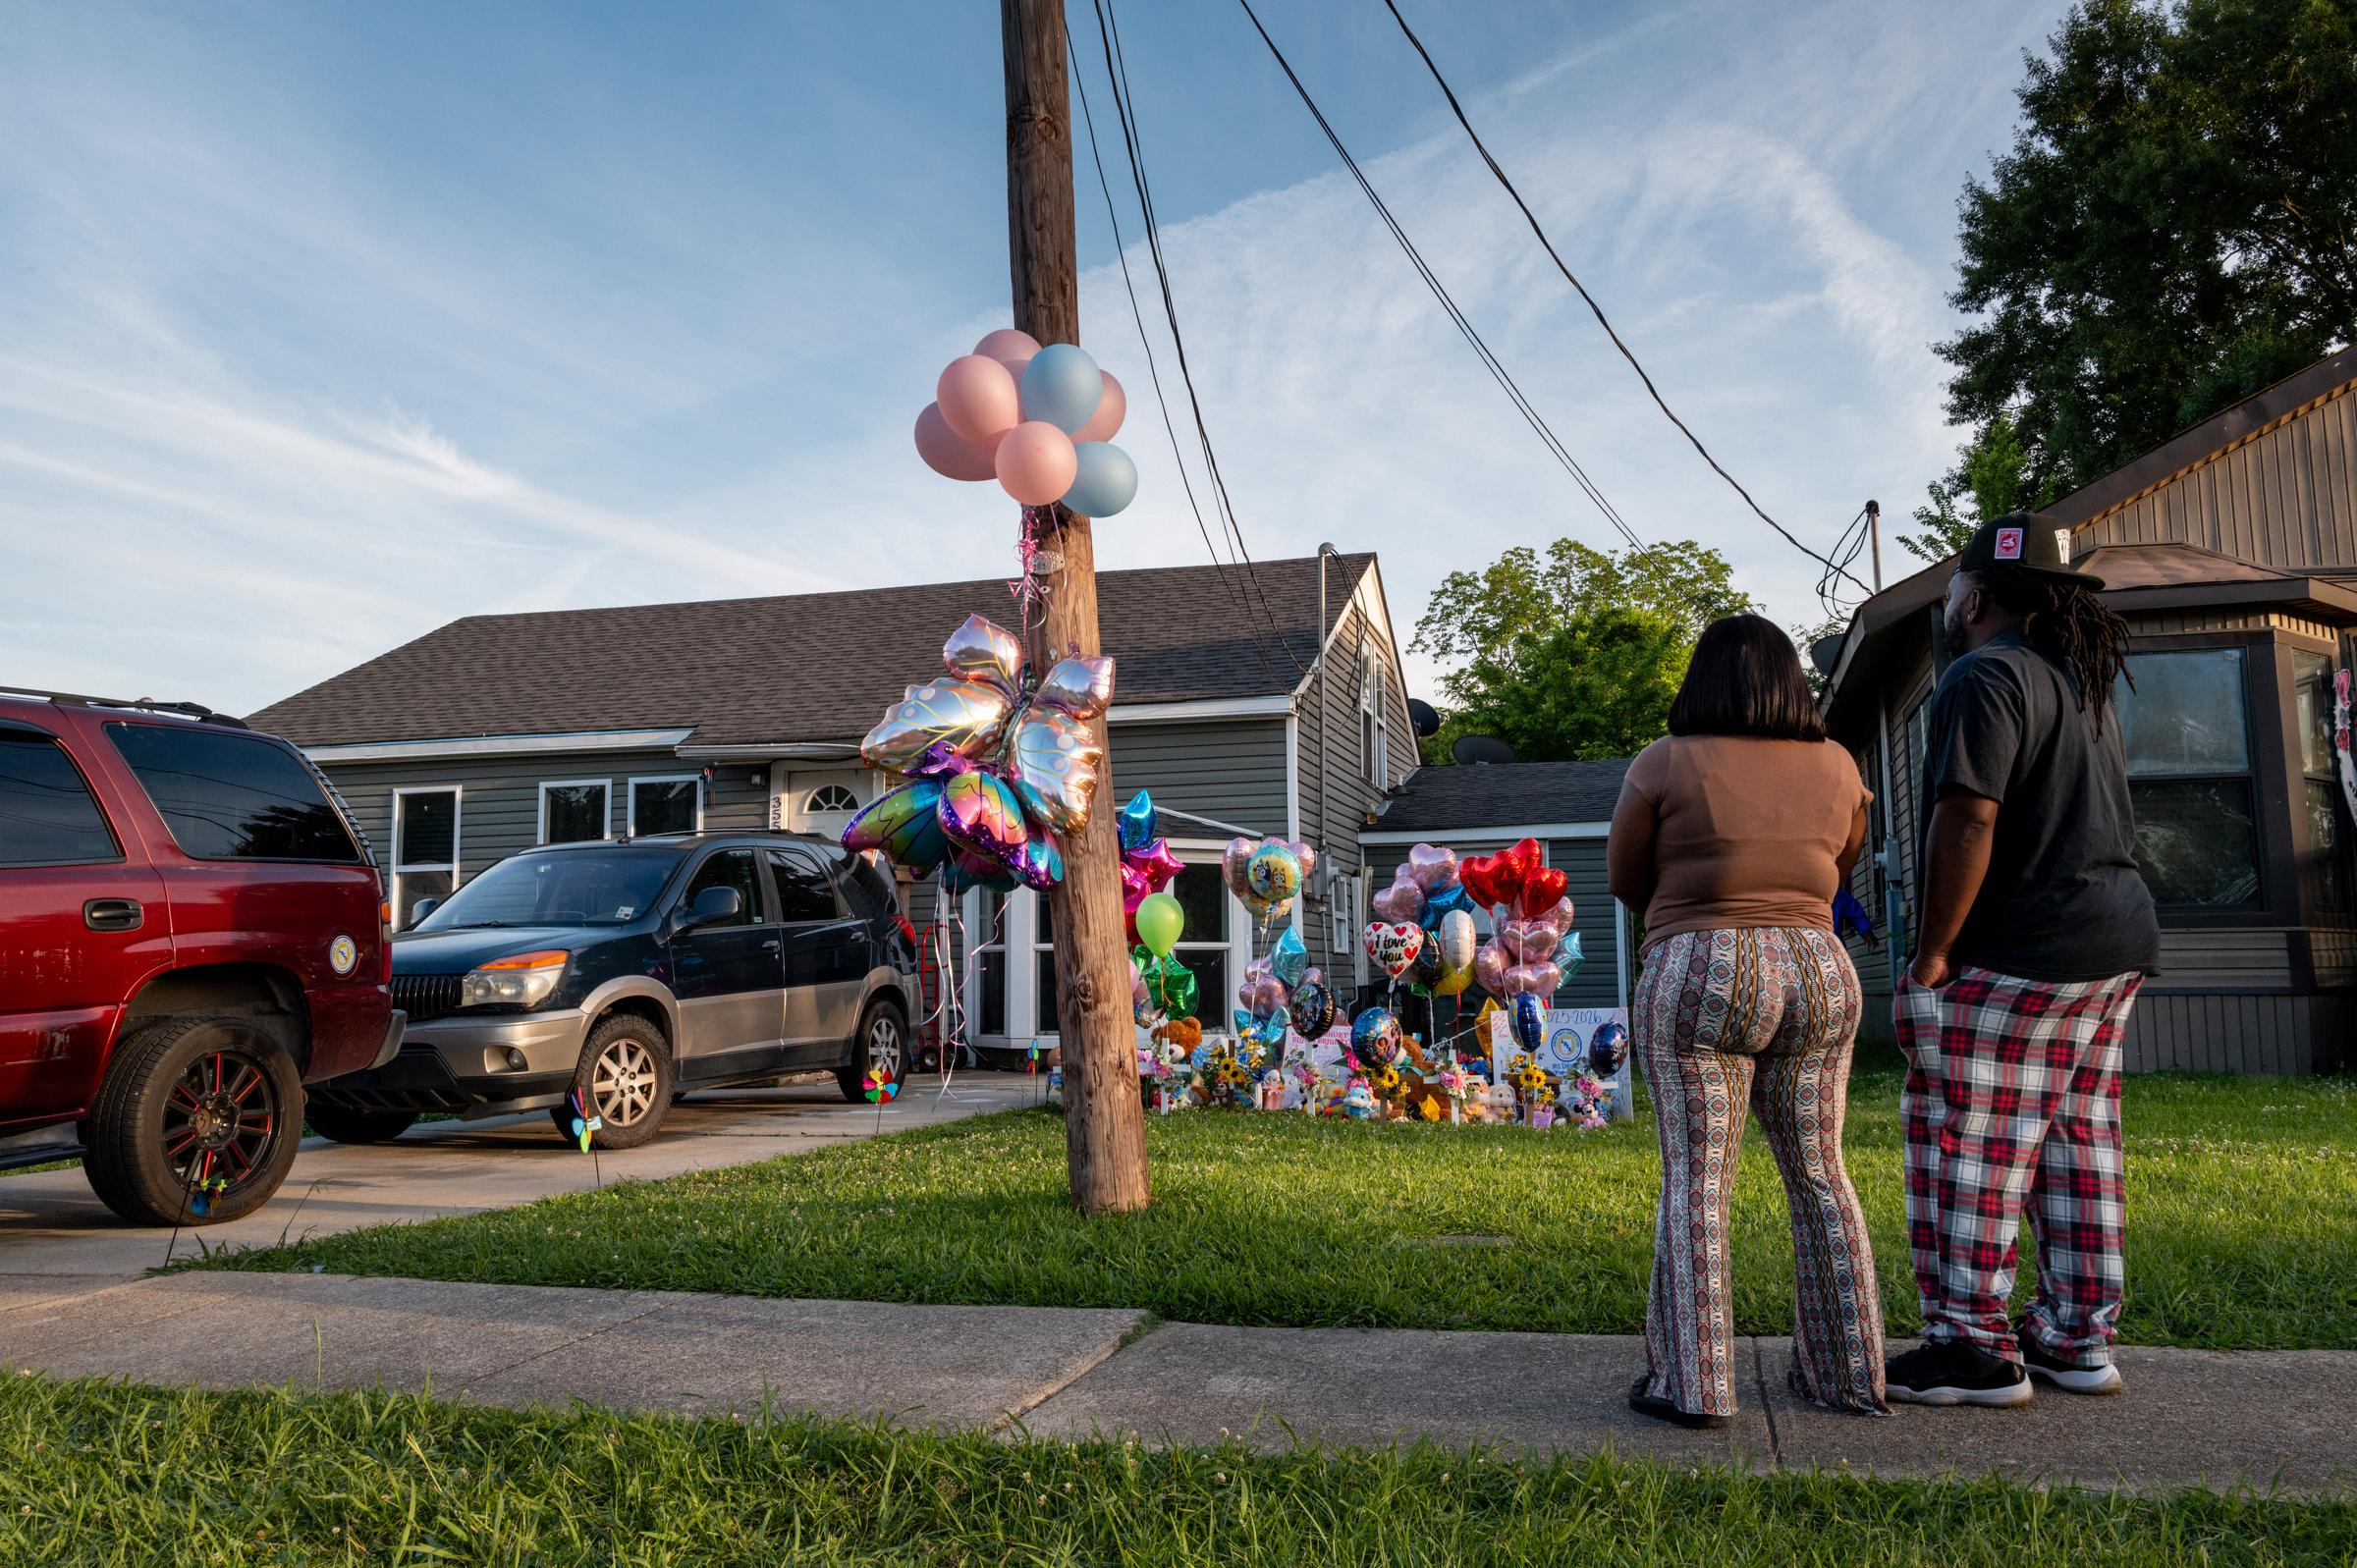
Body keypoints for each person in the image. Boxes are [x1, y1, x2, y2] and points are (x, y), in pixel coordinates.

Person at [1886, 513, 2158, 1408]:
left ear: (1974, 595)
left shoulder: (1982, 675)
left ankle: (1972, 1346)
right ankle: (2076, 1338)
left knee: (1970, 1135)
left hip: (2024, 946)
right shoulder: (2076, 681)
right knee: (2078, 1139)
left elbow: (1968, 816)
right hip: (2113, 938)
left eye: (1953, 588)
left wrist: (1933, 954)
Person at [1608, 614, 1885, 1428]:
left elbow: (1628, 874)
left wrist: (1694, 921)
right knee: (1822, 1172)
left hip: (1701, 970)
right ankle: (1850, 1375)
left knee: (1699, 1181)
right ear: (1791, 682)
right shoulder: (1840, 766)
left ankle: (1693, 1386)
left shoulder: (1663, 762)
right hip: (1818, 971)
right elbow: (1843, 864)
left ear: (1701, 681)